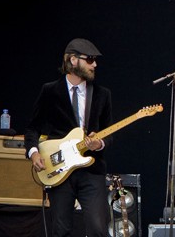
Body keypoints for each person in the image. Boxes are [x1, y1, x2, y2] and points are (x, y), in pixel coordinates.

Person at [25, 38, 113, 237]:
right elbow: (33, 128)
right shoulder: (50, 91)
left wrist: (100, 143)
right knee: (61, 229)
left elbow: (109, 133)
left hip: (92, 169)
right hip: (59, 168)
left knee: (98, 229)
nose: (95, 64)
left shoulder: (102, 94)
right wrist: (33, 152)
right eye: (89, 59)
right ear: (73, 60)